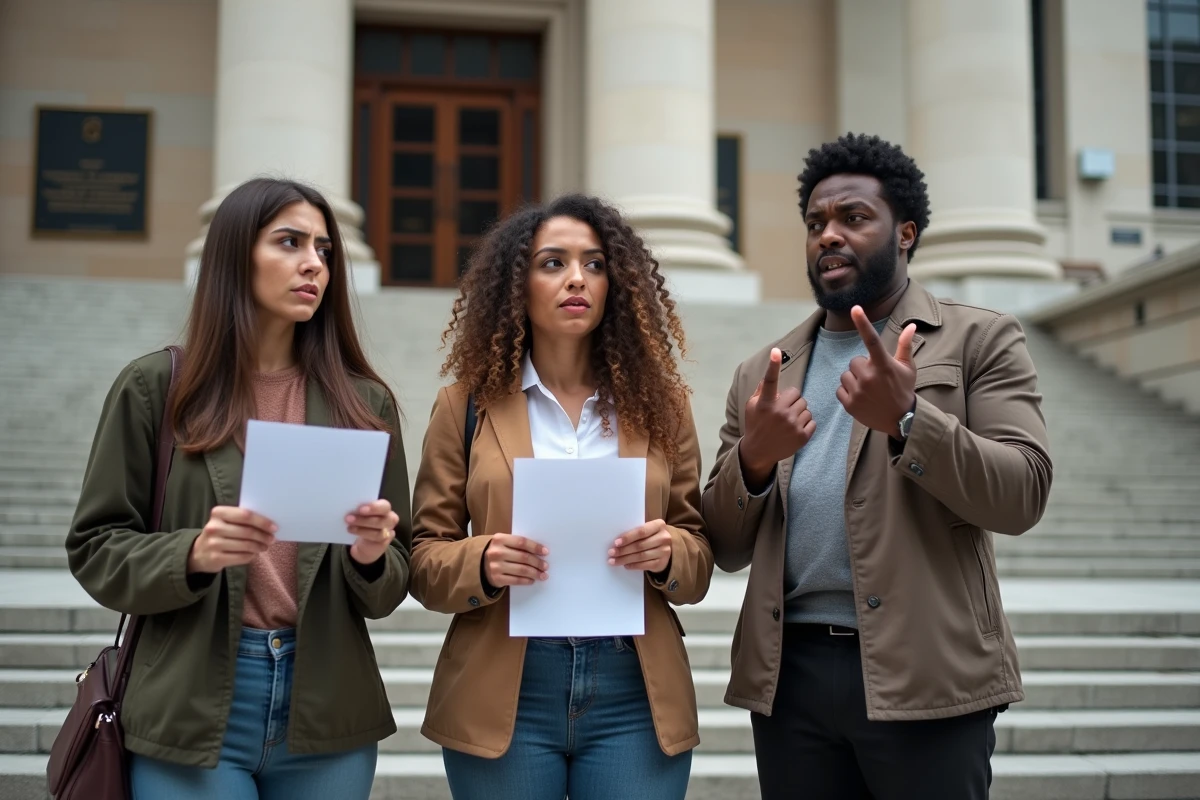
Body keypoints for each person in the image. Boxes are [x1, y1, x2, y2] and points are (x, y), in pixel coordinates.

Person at [702, 133, 1053, 800]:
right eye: (815, 223)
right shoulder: (763, 372)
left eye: (854, 218)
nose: (829, 235)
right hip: (789, 678)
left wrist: (911, 421)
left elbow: (1022, 494)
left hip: (927, 672)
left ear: (906, 233)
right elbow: (722, 544)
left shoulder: (979, 339)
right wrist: (753, 459)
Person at [66, 177, 411, 799]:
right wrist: (193, 553)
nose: (314, 264)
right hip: (192, 706)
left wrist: (370, 555)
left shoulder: (364, 403)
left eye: (324, 249)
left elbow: (390, 583)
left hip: (326, 710)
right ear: (234, 255)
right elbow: (95, 547)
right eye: (289, 242)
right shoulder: (156, 388)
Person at [409, 194, 712, 800]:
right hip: (505, 687)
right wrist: (482, 560)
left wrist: (668, 552)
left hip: (633, 690)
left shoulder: (663, 407)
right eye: (553, 263)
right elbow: (422, 558)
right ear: (515, 285)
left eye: (595, 264)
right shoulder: (463, 406)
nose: (577, 278)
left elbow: (698, 555)